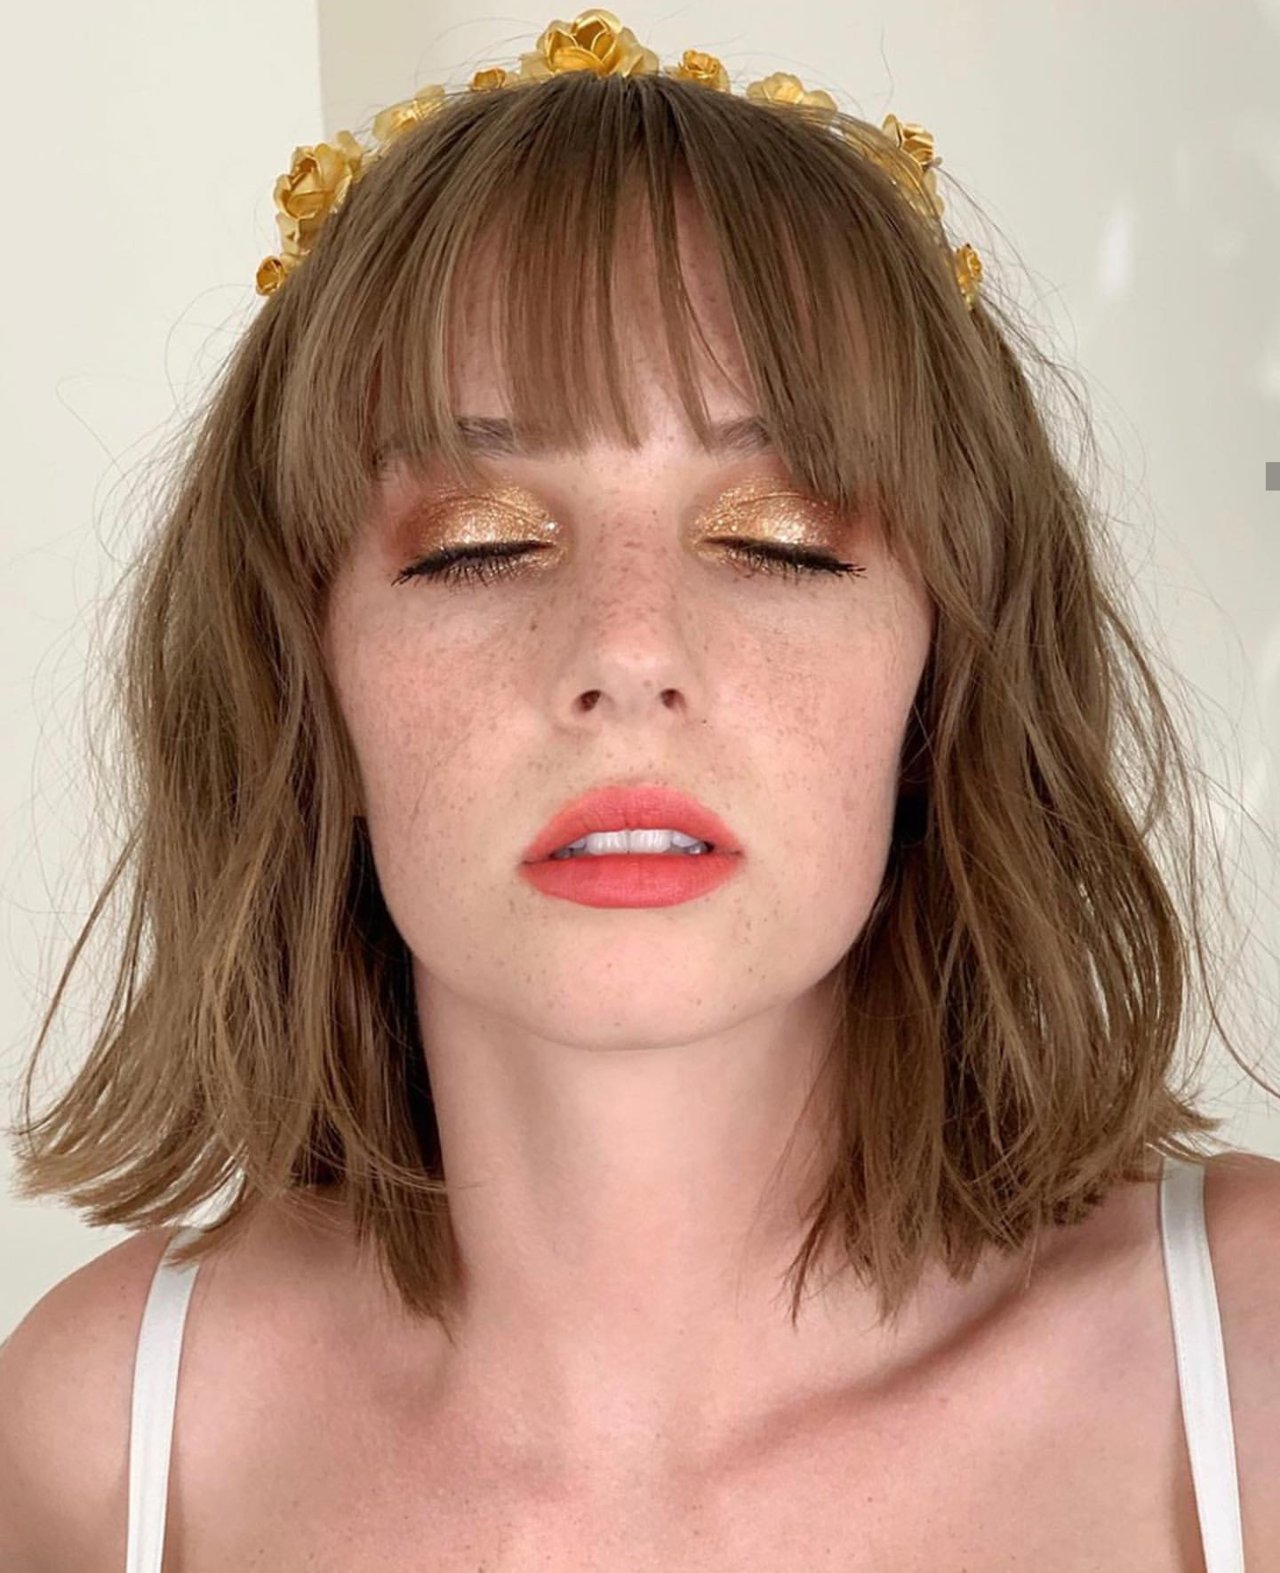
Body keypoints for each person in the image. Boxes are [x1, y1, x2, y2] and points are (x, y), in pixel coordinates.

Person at [2, 10, 1278, 1569]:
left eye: (776, 540)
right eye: (477, 544)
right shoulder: (108, 1443)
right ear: (303, 683)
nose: (625, 651)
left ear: (942, 678)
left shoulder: (1250, 1373)